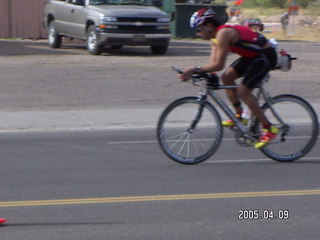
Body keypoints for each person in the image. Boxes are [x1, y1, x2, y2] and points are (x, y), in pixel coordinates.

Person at [179, 7, 279, 148]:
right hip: (252, 56)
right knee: (227, 77)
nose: (198, 33)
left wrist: (193, 69)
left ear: (209, 25)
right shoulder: (215, 38)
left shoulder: (223, 33)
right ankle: (240, 116)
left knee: (243, 91)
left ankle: (269, 128)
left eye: (199, 29)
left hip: (266, 55)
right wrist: (208, 74)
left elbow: (219, 65)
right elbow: (213, 64)